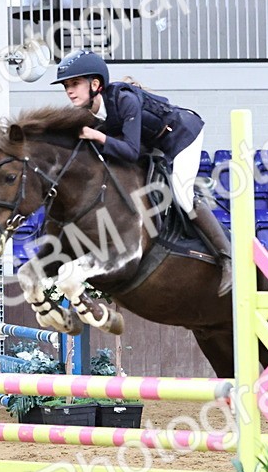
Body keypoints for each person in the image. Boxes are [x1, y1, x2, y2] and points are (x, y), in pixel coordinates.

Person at [52, 49, 232, 296]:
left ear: (95, 84)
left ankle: (227, 258)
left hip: (182, 135)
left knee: (182, 195)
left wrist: (98, 136)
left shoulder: (124, 100)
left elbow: (130, 151)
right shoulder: (89, 113)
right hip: (154, 145)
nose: (69, 91)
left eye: (75, 84)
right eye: (66, 86)